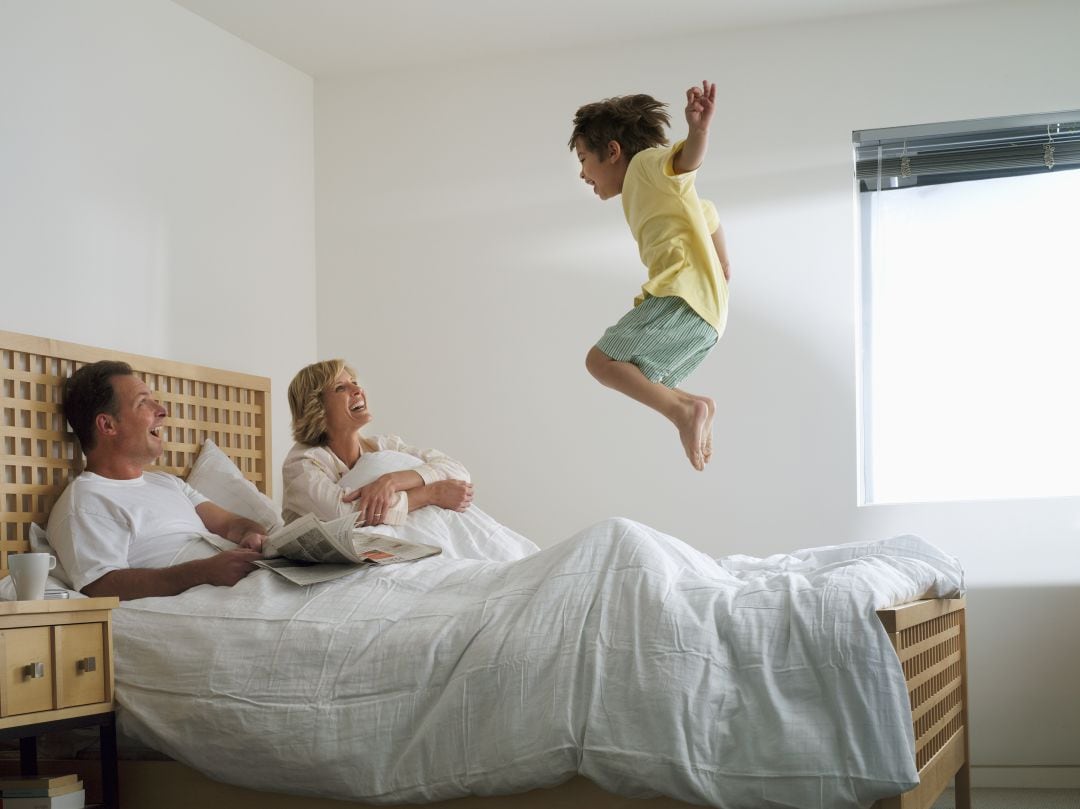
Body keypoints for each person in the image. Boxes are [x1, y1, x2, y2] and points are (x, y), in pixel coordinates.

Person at [570, 80, 732, 471]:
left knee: (600, 361)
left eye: (582, 159)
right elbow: (723, 265)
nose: (581, 174)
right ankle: (694, 405)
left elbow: (684, 162)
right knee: (638, 371)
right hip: (709, 314)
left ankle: (684, 412)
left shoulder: (646, 166)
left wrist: (699, 131)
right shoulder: (678, 199)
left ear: (612, 152)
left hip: (683, 298)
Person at [47, 361, 269, 600]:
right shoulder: (85, 500)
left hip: (250, 576)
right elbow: (101, 586)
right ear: (108, 425)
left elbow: (230, 524)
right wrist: (204, 572)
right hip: (212, 593)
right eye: (143, 402)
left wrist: (251, 534)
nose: (161, 410)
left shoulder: (168, 483)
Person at [282, 359, 474, 527]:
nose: (358, 390)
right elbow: (346, 514)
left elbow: (458, 472)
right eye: (341, 388)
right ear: (317, 408)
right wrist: (431, 494)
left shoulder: (385, 446)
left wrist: (391, 481)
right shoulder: (300, 464)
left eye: (354, 383)